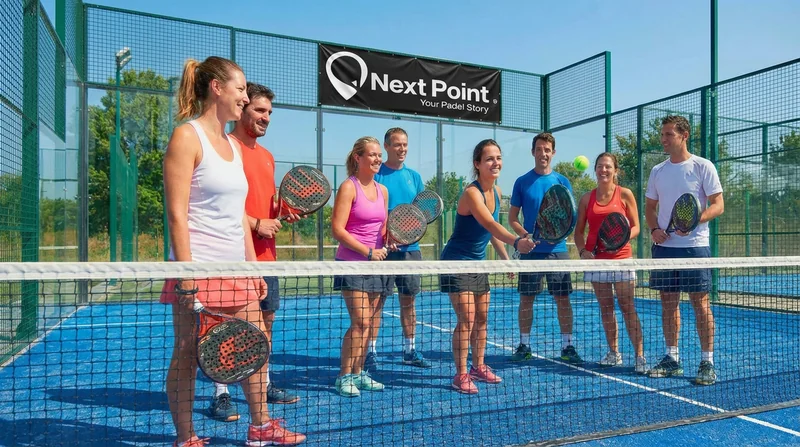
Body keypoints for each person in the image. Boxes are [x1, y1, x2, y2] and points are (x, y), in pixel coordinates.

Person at [160, 56, 305, 447]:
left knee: (254, 343)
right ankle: (186, 437)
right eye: (240, 88)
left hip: (237, 268)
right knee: (188, 354)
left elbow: (239, 215)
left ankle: (261, 426)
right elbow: (176, 215)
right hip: (198, 269)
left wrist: (252, 269)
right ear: (217, 88)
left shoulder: (233, 146)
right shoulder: (187, 137)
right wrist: (187, 276)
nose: (244, 96)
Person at [201, 82, 300, 423]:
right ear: (241, 108)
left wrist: (283, 212)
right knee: (224, 329)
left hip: (266, 258)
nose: (266, 117)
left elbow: (267, 204)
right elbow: (219, 205)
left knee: (265, 324)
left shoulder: (268, 157)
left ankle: (264, 383)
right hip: (232, 258)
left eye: (269, 112)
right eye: (259, 110)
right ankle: (222, 393)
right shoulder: (226, 149)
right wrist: (256, 223)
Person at [439, 139, 536, 394]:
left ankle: (478, 366)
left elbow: (490, 232)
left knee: (482, 318)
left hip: (478, 264)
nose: (496, 163)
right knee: (467, 319)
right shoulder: (472, 193)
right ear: (477, 164)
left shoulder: (497, 192)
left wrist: (505, 258)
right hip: (457, 262)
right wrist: (517, 241)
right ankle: (461, 374)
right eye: (489, 159)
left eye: (498, 158)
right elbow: (491, 224)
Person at [645, 115, 724, 386]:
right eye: (662, 134)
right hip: (664, 249)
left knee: (700, 304)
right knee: (668, 304)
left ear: (684, 135)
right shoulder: (657, 171)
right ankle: (672, 358)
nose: (663, 139)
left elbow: (718, 205)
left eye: (669, 134)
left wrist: (694, 221)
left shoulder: (703, 166)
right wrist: (654, 229)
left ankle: (707, 362)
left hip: (695, 247)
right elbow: (650, 208)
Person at [508, 132, 582, 364]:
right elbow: (512, 218)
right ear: (533, 152)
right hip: (531, 252)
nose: (543, 153)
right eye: (539, 149)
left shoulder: (562, 182)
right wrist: (524, 235)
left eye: (547, 150)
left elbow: (569, 218)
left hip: (558, 250)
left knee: (563, 299)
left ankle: (567, 346)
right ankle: (524, 345)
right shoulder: (522, 182)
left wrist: (558, 234)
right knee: (526, 299)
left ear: (553, 153)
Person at [331, 136, 394, 397]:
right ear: (358, 158)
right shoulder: (349, 187)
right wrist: (367, 252)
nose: (378, 159)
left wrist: (389, 240)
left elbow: (382, 228)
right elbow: (337, 229)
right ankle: (344, 376)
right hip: (352, 264)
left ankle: (359, 373)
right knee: (360, 322)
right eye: (372, 154)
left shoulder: (383, 191)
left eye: (379, 155)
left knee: (370, 324)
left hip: (377, 265)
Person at [574, 152, 647, 373]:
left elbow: (636, 226)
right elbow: (579, 232)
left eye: (607, 166)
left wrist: (620, 240)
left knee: (627, 307)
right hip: (597, 262)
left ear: (615, 171)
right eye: (599, 166)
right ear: (595, 170)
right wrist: (583, 251)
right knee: (606, 308)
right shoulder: (586, 199)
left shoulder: (625, 194)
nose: (603, 170)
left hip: (622, 260)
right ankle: (614, 353)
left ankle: (640, 357)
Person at [368, 127, 431, 370]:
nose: (402, 149)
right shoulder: (377, 175)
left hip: (410, 249)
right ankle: (370, 351)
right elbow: (373, 211)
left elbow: (421, 213)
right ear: (386, 147)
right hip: (382, 250)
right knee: (376, 302)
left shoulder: (414, 177)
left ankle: (409, 350)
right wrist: (387, 236)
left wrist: (406, 234)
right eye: (397, 144)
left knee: (408, 301)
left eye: (404, 144)